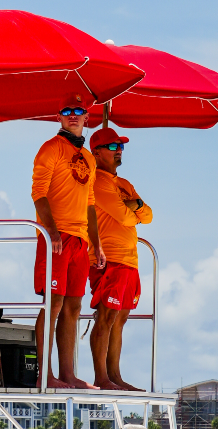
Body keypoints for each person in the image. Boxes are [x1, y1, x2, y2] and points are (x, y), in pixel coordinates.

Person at [31, 93, 106, 389]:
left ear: (88, 117)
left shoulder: (88, 157)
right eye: (67, 110)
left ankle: (67, 374)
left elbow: (90, 203)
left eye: (78, 110)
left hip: (80, 239)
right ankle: (44, 374)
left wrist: (96, 243)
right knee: (54, 303)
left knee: (74, 307)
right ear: (58, 116)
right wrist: (51, 231)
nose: (73, 115)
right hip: (55, 237)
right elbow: (38, 193)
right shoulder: (50, 149)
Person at [87, 128, 153, 391]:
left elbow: (148, 215)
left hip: (130, 260)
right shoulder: (97, 181)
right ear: (97, 152)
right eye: (113, 146)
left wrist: (134, 207)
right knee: (106, 314)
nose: (119, 150)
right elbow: (128, 217)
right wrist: (134, 207)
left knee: (121, 317)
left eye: (121, 146)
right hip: (108, 258)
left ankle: (115, 376)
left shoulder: (124, 184)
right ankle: (101, 378)